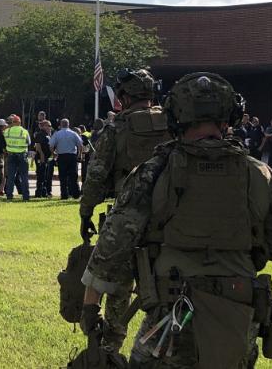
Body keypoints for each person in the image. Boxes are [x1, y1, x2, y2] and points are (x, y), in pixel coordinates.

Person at [80, 72, 272, 368]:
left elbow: (111, 248)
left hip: (172, 317)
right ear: (230, 117)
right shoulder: (260, 174)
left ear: (175, 117)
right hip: (237, 318)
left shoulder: (153, 172)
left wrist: (90, 307)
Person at [78, 68, 170, 351]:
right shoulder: (173, 124)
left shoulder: (117, 128)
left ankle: (110, 347)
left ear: (125, 97)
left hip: (127, 217)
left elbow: (96, 175)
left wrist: (85, 212)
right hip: (170, 219)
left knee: (118, 286)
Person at [49, 118, 82, 200]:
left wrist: (54, 153)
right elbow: (80, 144)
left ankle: (64, 195)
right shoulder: (73, 133)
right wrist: (79, 154)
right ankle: (76, 194)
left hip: (61, 157)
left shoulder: (57, 134)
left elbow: (51, 145)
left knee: (62, 176)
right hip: (72, 156)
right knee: (73, 176)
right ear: (68, 124)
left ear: (61, 124)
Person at [3, 114, 31, 201]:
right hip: (22, 155)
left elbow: (5, 141)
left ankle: (9, 196)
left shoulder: (7, 131)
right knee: (24, 176)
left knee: (10, 176)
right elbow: (29, 142)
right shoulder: (24, 131)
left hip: (11, 155)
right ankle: (25, 196)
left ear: (12, 122)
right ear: (19, 122)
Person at [33, 120, 54, 198]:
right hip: (41, 158)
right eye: (49, 126)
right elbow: (38, 145)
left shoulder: (47, 134)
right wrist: (42, 155)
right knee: (41, 175)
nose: (50, 127)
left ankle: (44, 192)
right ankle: (38, 193)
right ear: (44, 126)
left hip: (46, 158)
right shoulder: (40, 134)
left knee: (45, 175)